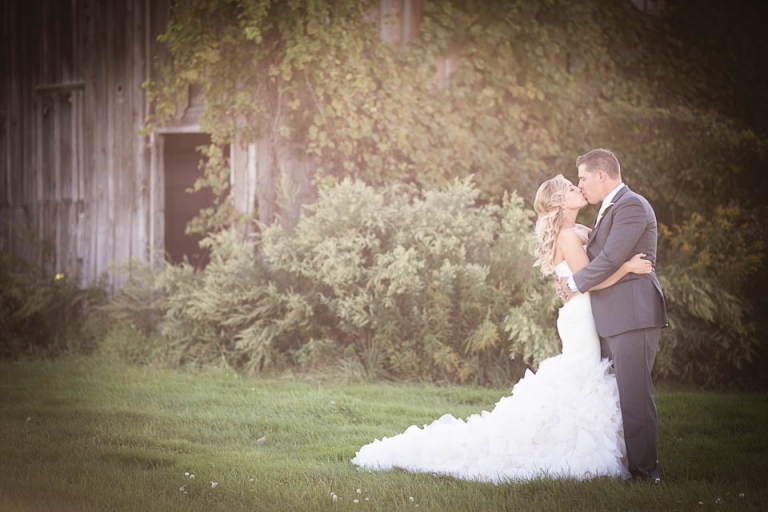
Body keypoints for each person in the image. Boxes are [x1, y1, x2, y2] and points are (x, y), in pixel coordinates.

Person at [351, 174, 652, 483]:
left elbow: (593, 267)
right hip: (581, 318)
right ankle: (569, 445)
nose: (580, 189)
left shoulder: (577, 230)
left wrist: (579, 282)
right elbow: (593, 279)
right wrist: (627, 269)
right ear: (561, 202)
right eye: (573, 188)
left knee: (582, 377)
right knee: (581, 378)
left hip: (581, 312)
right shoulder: (566, 235)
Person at [558, 148, 667, 483]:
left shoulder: (631, 206)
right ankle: (627, 464)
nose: (581, 185)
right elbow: (603, 259)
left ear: (601, 175)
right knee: (620, 396)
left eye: (583, 178)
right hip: (613, 316)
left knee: (635, 396)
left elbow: (608, 258)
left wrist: (574, 284)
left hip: (633, 315)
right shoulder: (608, 210)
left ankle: (645, 474)